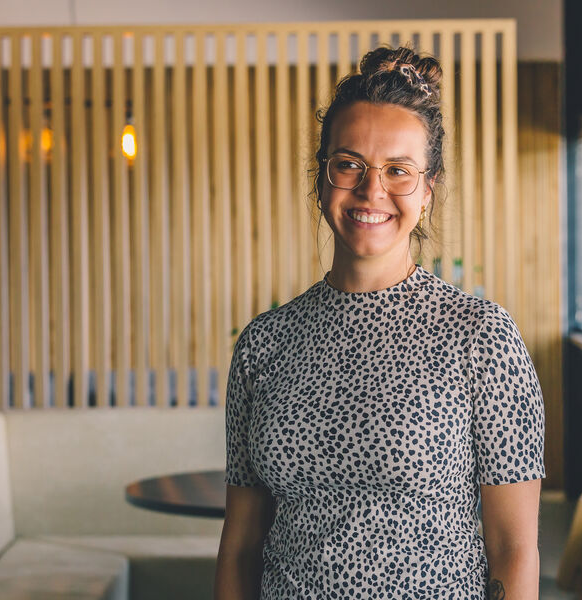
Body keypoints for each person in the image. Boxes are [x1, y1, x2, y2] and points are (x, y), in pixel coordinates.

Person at [214, 45, 545, 600]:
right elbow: (241, 543)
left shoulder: (481, 337)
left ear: (428, 188)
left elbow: (515, 548)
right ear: (322, 177)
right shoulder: (264, 344)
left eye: (399, 170)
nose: (372, 190)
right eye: (350, 164)